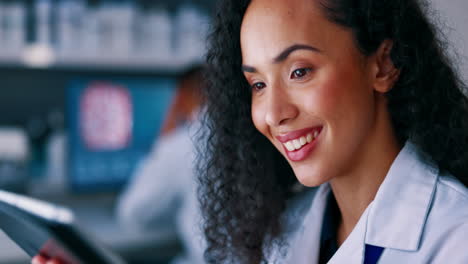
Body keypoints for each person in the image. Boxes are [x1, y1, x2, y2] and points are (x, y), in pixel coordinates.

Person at [197, 0, 468, 263]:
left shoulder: (456, 239)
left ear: (384, 65)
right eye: (258, 84)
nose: (274, 114)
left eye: (300, 72)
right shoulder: (282, 234)